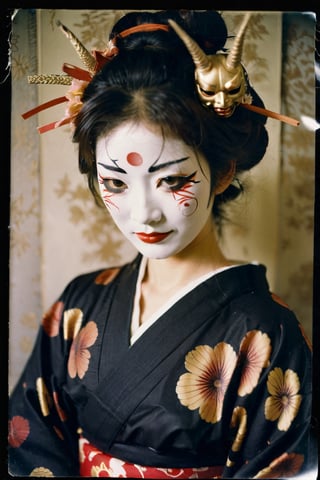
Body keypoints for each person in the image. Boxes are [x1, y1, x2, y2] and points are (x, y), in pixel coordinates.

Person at [8, 9, 316, 478]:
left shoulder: (266, 332)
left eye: (172, 180)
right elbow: (29, 443)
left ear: (224, 171)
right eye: (115, 182)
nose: (143, 213)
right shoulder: (80, 302)